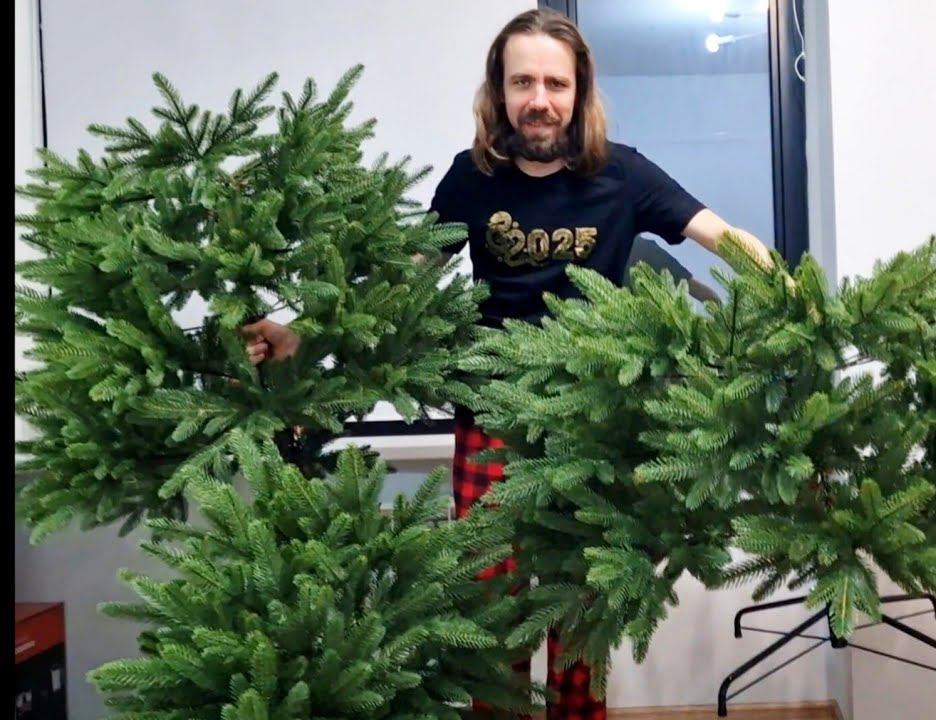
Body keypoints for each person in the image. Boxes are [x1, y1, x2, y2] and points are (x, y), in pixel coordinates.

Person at [243, 8, 776, 718]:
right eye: (523, 82)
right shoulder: (471, 180)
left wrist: (790, 291)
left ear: (579, 92)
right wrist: (302, 334)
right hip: (493, 417)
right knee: (491, 618)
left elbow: (721, 234)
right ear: (499, 90)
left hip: (593, 424)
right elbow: (399, 280)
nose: (539, 99)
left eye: (556, 83)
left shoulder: (624, 174)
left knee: (581, 620)